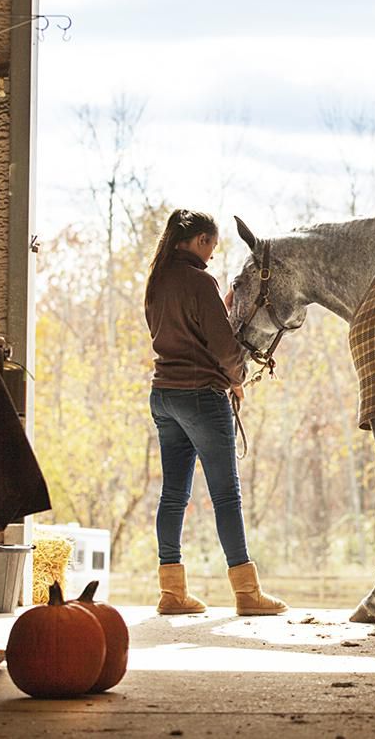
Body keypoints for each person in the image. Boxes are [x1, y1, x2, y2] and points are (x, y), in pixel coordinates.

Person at [144, 208, 286, 616]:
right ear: (197, 240)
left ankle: (172, 593)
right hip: (202, 396)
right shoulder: (200, 280)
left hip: (164, 394)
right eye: (210, 245)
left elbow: (178, 330)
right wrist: (237, 376)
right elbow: (223, 345)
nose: (211, 254)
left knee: (173, 494)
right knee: (226, 495)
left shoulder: (156, 280)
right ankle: (247, 593)